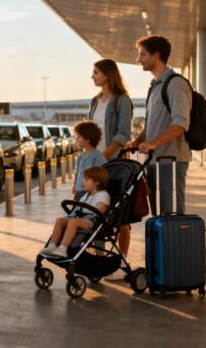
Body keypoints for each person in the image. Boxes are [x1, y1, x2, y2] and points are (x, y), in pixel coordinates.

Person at [127, 35, 192, 215]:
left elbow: (180, 123)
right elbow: (151, 124)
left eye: (142, 54)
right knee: (159, 212)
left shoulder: (175, 84)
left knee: (171, 212)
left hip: (171, 160)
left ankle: (175, 244)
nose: (138, 59)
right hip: (155, 159)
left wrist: (154, 143)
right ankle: (164, 244)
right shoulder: (155, 86)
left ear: (156, 55)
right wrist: (137, 141)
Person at [88, 58, 134, 273]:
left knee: (120, 215)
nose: (93, 76)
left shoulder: (121, 101)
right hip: (95, 165)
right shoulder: (95, 101)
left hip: (115, 164)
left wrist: (104, 156)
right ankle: (98, 259)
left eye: (96, 72)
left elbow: (123, 133)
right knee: (96, 211)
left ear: (107, 75)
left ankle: (120, 261)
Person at [41, 166, 110, 258]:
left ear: (96, 182)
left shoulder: (103, 195)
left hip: (92, 221)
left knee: (73, 222)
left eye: (86, 179)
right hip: (81, 219)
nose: (83, 182)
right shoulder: (86, 195)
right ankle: (52, 246)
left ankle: (63, 248)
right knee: (60, 220)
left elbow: (100, 210)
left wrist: (95, 213)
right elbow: (77, 208)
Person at [71, 121, 106, 201]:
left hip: (89, 193)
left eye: (79, 137)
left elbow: (99, 177)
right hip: (79, 191)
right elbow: (77, 173)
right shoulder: (80, 156)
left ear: (87, 139)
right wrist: (75, 185)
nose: (76, 139)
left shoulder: (98, 157)